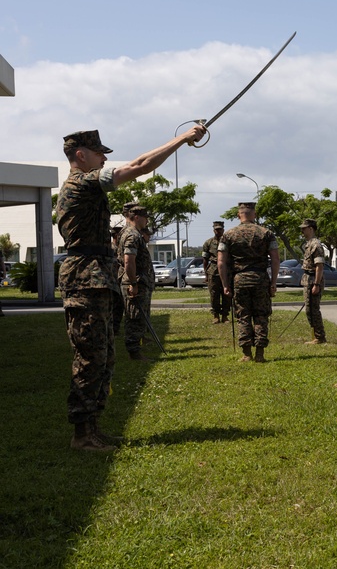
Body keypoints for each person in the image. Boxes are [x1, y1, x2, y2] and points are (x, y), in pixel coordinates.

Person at [57, 125, 206, 451]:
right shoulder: (80, 183)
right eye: (99, 153)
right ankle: (82, 435)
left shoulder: (86, 186)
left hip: (95, 278)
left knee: (105, 357)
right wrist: (182, 138)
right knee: (90, 358)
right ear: (81, 155)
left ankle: (93, 428)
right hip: (85, 279)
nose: (104, 159)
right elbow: (139, 166)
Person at [218, 202, 280, 363]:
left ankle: (246, 354)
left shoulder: (228, 235)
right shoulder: (267, 233)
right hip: (260, 279)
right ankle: (260, 354)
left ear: (239, 215)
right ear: (255, 214)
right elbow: (275, 259)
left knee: (243, 316)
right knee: (261, 316)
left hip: (240, 280)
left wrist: (225, 285)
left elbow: (221, 262)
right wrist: (273, 282)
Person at [118, 205, 156, 361]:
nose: (147, 220)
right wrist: (133, 283)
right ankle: (134, 352)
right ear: (136, 217)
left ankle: (136, 347)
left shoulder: (134, 234)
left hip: (139, 281)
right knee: (134, 316)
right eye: (145, 217)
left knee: (138, 316)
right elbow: (128, 261)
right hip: (135, 282)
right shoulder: (132, 235)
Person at [299, 218, 327, 344]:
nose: (302, 231)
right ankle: (316, 335)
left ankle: (319, 337)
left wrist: (316, 284)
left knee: (313, 309)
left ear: (311, 229)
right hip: (308, 278)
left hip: (313, 279)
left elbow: (319, 266)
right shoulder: (308, 244)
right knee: (309, 309)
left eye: (304, 229)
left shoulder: (316, 245)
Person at [201, 221, 231, 324]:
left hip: (226, 270)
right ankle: (216, 315)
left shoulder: (228, 241)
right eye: (216, 229)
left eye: (220, 229)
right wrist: (206, 274)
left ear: (223, 229)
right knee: (214, 294)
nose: (218, 231)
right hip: (213, 270)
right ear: (213, 230)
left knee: (226, 294)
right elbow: (205, 260)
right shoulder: (208, 243)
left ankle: (225, 316)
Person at [109, 225, 125, 336]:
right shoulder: (111, 248)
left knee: (119, 306)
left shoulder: (120, 249)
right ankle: (111, 328)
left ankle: (115, 328)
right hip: (111, 281)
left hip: (118, 281)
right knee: (112, 306)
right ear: (116, 235)